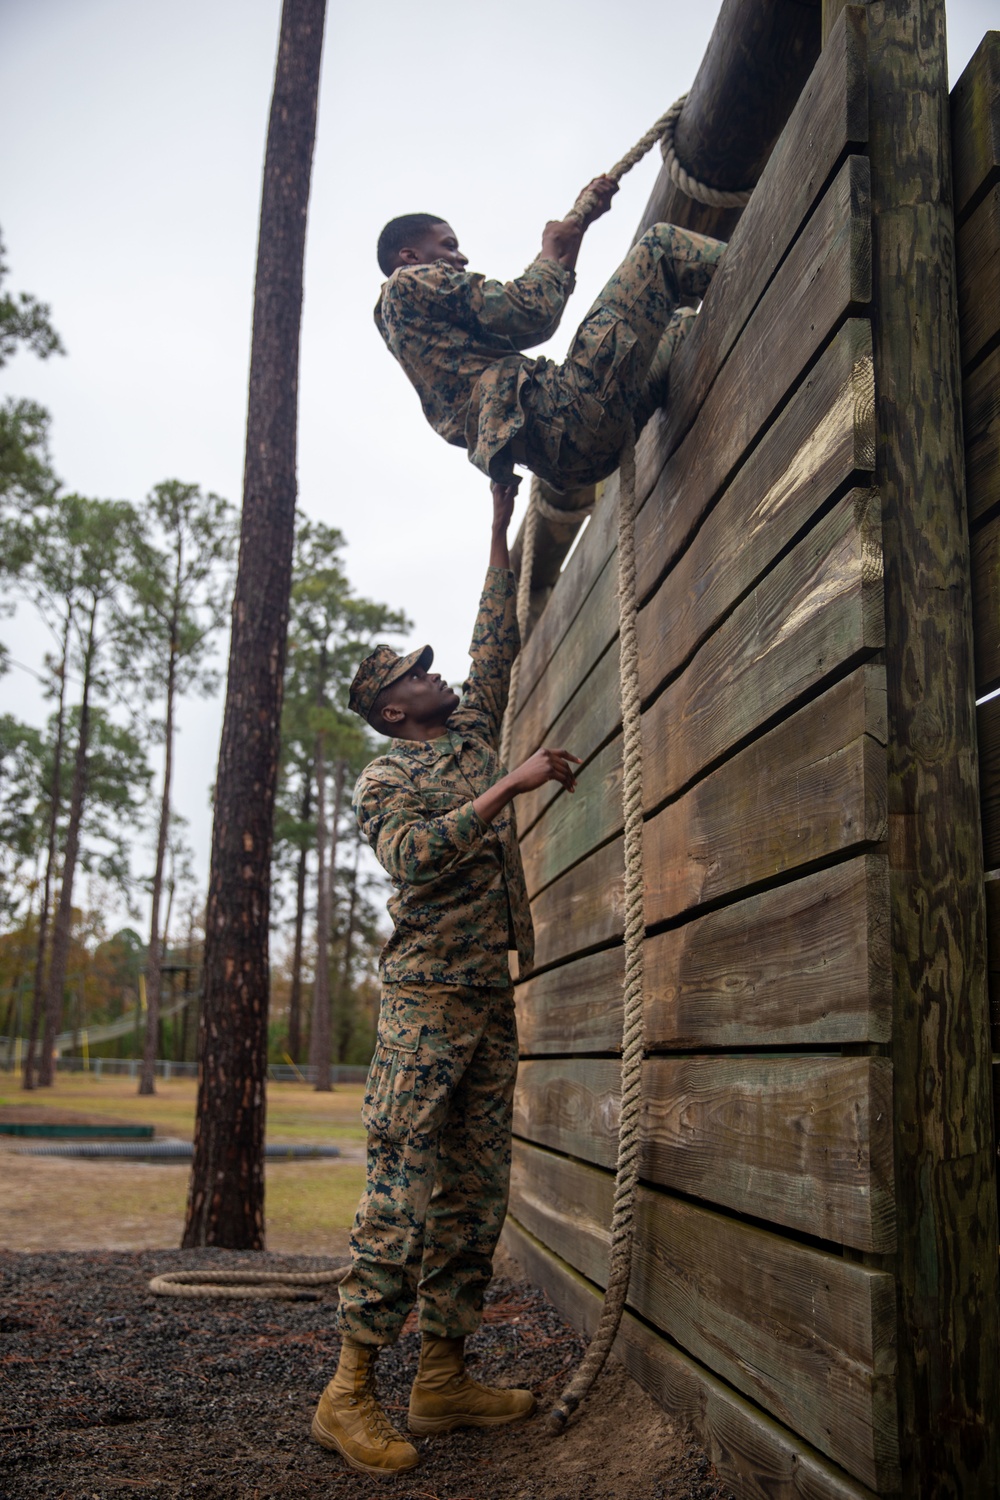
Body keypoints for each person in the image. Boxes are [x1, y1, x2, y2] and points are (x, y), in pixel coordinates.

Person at [311, 481, 582, 1477]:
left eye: (433, 669)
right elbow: (415, 858)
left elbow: (490, 640)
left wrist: (496, 519)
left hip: (485, 997)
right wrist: (509, 789)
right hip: (425, 1003)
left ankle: (442, 1378)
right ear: (393, 709)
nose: (438, 675)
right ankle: (346, 1395)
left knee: (474, 1194)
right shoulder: (386, 779)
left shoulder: (469, 733)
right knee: (401, 1196)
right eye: (417, 676)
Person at [374, 183, 726, 493]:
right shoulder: (408, 282)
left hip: (574, 460)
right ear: (410, 256)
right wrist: (550, 246)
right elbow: (531, 308)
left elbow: (537, 327)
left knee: (681, 325)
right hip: (571, 411)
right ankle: (774, 253)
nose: (461, 256)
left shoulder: (417, 332)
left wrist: (574, 236)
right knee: (661, 247)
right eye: (449, 246)